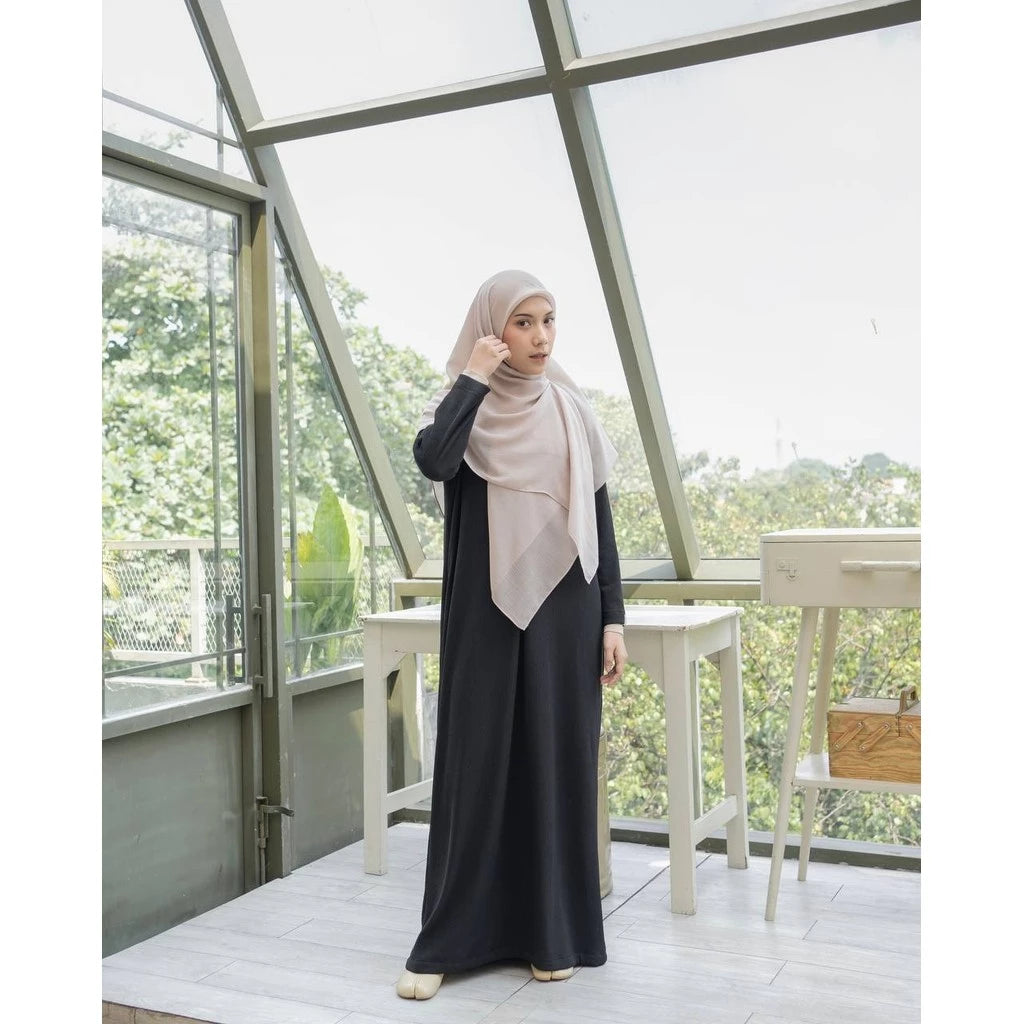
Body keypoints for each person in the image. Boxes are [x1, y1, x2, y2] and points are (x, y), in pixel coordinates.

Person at [395, 269, 628, 1001]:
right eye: (522, 323)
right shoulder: (460, 408)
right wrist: (472, 377)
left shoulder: (571, 410)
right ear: (492, 330)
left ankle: (550, 934)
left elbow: (601, 522)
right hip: (482, 612)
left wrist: (613, 618)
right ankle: (447, 941)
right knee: (477, 764)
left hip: (568, 610)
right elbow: (434, 460)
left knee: (555, 763)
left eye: (548, 321)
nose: (540, 337)